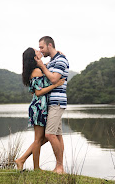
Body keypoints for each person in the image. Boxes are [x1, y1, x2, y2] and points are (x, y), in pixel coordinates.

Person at [15, 47, 65, 170]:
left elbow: (47, 66)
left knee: (44, 138)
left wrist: (58, 55)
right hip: (39, 108)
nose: (39, 50)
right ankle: (35, 168)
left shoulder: (37, 69)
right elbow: (38, 92)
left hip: (41, 106)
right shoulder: (36, 71)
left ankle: (21, 159)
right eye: (37, 50)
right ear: (34, 57)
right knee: (38, 139)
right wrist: (56, 85)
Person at [35, 36, 69, 174]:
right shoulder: (54, 60)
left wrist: (43, 66)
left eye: (42, 47)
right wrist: (42, 64)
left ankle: (59, 167)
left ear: (50, 45)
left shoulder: (61, 60)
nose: (40, 50)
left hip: (57, 101)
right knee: (58, 135)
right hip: (52, 102)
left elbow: (54, 79)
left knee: (49, 134)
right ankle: (60, 167)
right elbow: (45, 73)